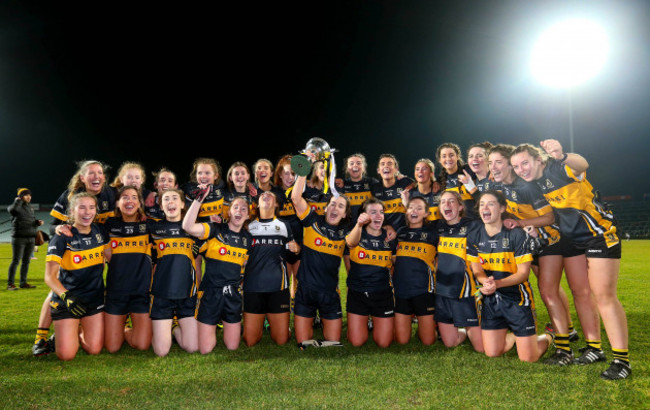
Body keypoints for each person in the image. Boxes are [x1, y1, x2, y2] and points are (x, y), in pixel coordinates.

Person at [510, 140, 631, 379]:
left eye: (525, 162)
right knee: (581, 292)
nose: (521, 169)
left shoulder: (557, 168)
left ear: (539, 160)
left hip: (599, 236)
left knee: (604, 295)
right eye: (516, 166)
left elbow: (582, 164)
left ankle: (622, 361)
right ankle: (595, 349)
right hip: (575, 240)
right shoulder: (534, 184)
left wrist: (562, 155)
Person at [487, 144, 588, 366]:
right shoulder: (499, 186)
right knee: (549, 290)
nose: (493, 167)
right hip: (530, 243)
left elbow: (550, 218)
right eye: (491, 163)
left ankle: (564, 350)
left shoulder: (527, 186)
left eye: (499, 162)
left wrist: (520, 222)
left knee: (548, 292)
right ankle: (567, 332)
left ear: (509, 165)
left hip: (549, 241)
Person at [33, 160, 115, 356]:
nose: (96, 176)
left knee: (94, 348)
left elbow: (131, 193)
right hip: (73, 242)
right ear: (82, 177)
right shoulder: (70, 196)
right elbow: (53, 225)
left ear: (104, 177)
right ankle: (42, 337)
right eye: (91, 173)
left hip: (96, 241)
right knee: (58, 288)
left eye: (100, 173)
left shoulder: (110, 193)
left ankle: (71, 331)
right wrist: (59, 229)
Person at [467, 190, 552, 362]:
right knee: (492, 353)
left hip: (517, 298)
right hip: (490, 298)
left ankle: (549, 336)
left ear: (502, 209)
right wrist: (486, 283)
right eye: (482, 204)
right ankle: (515, 337)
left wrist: (496, 283)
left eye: (491, 203)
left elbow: (522, 274)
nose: (485, 207)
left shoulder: (516, 234)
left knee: (528, 359)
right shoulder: (474, 234)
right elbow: (477, 270)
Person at [183, 191, 252, 353]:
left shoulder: (248, 239)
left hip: (232, 295)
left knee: (232, 346)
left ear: (248, 216)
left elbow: (245, 266)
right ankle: (179, 331)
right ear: (229, 211)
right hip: (211, 293)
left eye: (243, 209)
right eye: (236, 207)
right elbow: (187, 226)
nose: (239, 211)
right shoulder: (215, 230)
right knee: (206, 349)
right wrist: (198, 199)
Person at [291, 164, 351, 345]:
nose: (335, 208)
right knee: (303, 343)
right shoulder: (312, 221)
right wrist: (303, 170)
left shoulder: (346, 233)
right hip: (305, 292)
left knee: (332, 342)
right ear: (325, 208)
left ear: (344, 214)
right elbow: (295, 197)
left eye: (340, 206)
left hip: (329, 294)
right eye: (332, 204)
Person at [44, 192, 106, 360]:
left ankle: (74, 330)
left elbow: (111, 257)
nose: (87, 212)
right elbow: (49, 277)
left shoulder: (100, 232)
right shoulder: (62, 237)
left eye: (92, 207)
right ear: (71, 212)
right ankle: (64, 332)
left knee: (94, 349)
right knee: (66, 355)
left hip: (94, 298)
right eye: (82, 208)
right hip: (67, 299)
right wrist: (67, 296)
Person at [242, 191, 300, 347]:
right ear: (257, 203)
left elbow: (293, 249)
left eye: (270, 195)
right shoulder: (248, 225)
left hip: (278, 287)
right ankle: (263, 321)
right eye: (262, 195)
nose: (266, 195)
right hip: (253, 287)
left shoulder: (284, 225)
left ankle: (273, 321)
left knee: (282, 340)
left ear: (276, 204)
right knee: (250, 341)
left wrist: (296, 248)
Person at [149, 189, 201, 356]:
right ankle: (163, 329)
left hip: (187, 294)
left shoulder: (193, 229)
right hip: (162, 294)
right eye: (166, 199)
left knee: (192, 347)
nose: (170, 202)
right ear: (161, 206)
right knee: (161, 352)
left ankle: (174, 330)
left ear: (182, 204)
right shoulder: (154, 228)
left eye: (174, 198)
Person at [102, 186, 154, 353]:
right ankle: (118, 327)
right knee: (112, 347)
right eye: (125, 197)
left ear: (139, 203)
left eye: (134, 197)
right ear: (118, 203)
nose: (129, 200)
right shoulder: (108, 226)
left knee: (142, 344)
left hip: (141, 293)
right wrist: (60, 228)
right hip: (116, 293)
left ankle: (126, 328)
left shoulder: (149, 226)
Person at [434, 191, 483, 352]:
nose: (447, 205)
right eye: (443, 202)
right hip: (442, 291)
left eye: (451, 202)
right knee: (450, 343)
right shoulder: (437, 227)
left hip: (466, 292)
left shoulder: (473, 225)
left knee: (482, 348)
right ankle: (466, 331)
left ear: (460, 206)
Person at [344, 197, 396, 348]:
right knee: (356, 342)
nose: (378, 216)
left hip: (382, 294)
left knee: (384, 343)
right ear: (364, 215)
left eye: (381, 212)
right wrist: (359, 225)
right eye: (373, 212)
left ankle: (375, 320)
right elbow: (350, 243)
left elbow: (395, 264)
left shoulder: (389, 238)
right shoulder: (355, 233)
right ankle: (364, 321)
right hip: (358, 293)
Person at [392, 196, 438, 345]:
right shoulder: (399, 232)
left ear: (426, 214)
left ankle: (433, 327)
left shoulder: (433, 234)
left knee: (428, 341)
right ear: (406, 211)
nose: (414, 211)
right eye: (411, 207)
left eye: (419, 208)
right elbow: (393, 259)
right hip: (401, 290)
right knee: (402, 341)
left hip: (423, 290)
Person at [273, 155, 301, 302]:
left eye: (294, 173)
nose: (290, 177)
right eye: (286, 173)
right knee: (281, 284)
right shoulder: (274, 193)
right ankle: (280, 317)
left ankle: (299, 315)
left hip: (299, 244)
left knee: (299, 283)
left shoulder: (302, 191)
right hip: (280, 246)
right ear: (279, 174)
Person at [7, 188, 43, 290]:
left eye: (30, 195)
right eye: (26, 195)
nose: (29, 197)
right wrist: (17, 200)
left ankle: (23, 283)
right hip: (19, 238)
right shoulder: (16, 206)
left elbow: (29, 221)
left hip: (30, 238)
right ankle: (10, 284)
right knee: (16, 261)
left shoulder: (29, 207)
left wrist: (37, 223)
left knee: (26, 262)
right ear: (21, 196)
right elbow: (13, 211)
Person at [371, 154, 413, 230]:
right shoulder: (374, 188)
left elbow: (419, 183)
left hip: (404, 233)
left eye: (390, 164)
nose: (386, 166)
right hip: (383, 233)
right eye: (382, 164)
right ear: (378, 170)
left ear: (396, 169)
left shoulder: (405, 183)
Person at [436, 143, 478, 219]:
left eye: (451, 155)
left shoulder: (469, 170)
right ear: (440, 160)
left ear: (457, 156)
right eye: (444, 156)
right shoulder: (439, 180)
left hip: (474, 223)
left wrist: (491, 172)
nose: (448, 159)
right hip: (455, 226)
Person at [181, 158, 226, 223]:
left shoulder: (221, 187)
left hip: (218, 229)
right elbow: (186, 218)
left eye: (207, 173)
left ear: (216, 176)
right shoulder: (189, 191)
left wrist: (221, 219)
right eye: (199, 173)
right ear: (196, 175)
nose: (203, 176)